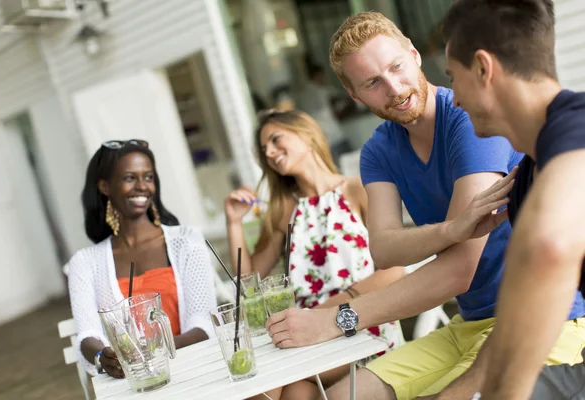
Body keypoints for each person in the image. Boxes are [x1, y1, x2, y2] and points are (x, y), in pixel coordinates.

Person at [265, 12, 585, 400]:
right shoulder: (383, 151)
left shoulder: (516, 134)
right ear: (356, 95)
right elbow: (384, 251)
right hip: (475, 325)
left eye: (451, 76)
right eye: (373, 83)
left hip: (557, 325)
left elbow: (469, 273)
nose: (395, 88)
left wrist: (338, 319)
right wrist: (451, 230)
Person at [426, 1, 585, 399]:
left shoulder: (576, 129)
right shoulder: (529, 174)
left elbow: (551, 249)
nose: (454, 99)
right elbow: (520, 321)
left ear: (483, 68)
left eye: (453, 77)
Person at [225, 109, 406, 399]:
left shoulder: (357, 189)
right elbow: (248, 285)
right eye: (264, 149)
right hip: (305, 337)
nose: (269, 152)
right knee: (293, 392)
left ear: (306, 134)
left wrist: (322, 314)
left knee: (264, 386)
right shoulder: (284, 210)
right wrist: (234, 223)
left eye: (275, 140)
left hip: (361, 323)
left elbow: (394, 271)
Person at [68, 139, 217, 378]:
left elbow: (203, 321)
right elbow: (88, 335)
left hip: (197, 369)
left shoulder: (186, 242)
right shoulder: (85, 262)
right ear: (105, 187)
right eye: (129, 178)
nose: (142, 186)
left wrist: (155, 350)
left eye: (148, 177)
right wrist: (103, 357)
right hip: (135, 383)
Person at [297, 63, 353, 165]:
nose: (324, 78)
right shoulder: (320, 91)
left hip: (320, 138)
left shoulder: (303, 94)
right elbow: (342, 96)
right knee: (351, 165)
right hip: (333, 135)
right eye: (322, 76)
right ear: (318, 75)